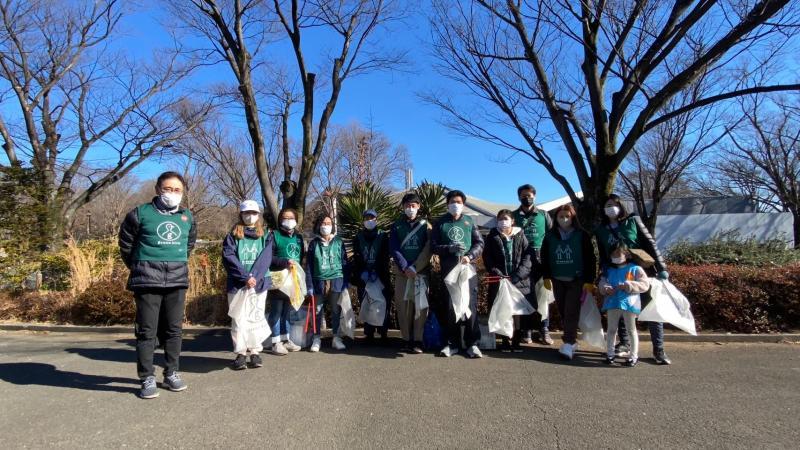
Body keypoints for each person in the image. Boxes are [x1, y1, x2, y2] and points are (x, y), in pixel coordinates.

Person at [118, 171, 196, 399]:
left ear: (182, 193)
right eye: (168, 189)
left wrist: (176, 261)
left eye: (177, 190)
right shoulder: (141, 214)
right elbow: (126, 244)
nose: (172, 193)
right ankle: (147, 377)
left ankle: (171, 372)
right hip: (147, 279)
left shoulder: (187, 217)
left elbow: (188, 243)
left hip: (177, 279)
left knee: (174, 330)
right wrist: (138, 266)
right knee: (146, 332)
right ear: (158, 189)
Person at [594, 194, 672, 365]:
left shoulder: (633, 221)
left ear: (621, 206)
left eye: (614, 204)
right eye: (607, 205)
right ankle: (624, 344)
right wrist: (602, 274)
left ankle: (658, 350)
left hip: (640, 271)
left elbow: (650, 243)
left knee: (652, 311)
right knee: (620, 307)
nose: (611, 208)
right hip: (616, 271)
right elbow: (603, 254)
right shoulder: (601, 229)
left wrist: (661, 267)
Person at [222, 200, 291, 370]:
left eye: (253, 213)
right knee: (239, 320)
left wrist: (255, 278)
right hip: (238, 285)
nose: (250, 216)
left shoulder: (266, 234)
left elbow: (266, 258)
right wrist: (245, 277)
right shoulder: (232, 235)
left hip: (259, 285)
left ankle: (254, 352)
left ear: (258, 215)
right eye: (246, 213)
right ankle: (240, 353)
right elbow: (228, 257)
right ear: (241, 215)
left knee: (256, 318)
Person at [539, 204, 597, 360]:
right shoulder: (550, 236)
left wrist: (589, 280)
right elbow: (544, 257)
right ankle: (572, 340)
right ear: (556, 218)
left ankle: (568, 343)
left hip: (576, 280)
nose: (564, 219)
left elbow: (590, 258)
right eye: (560, 216)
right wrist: (546, 276)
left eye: (567, 216)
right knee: (564, 311)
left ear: (573, 217)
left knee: (571, 311)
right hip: (558, 280)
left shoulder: (581, 235)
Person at [432, 189, 485, 358]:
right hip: (449, 271)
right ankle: (451, 344)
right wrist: (448, 248)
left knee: (469, 306)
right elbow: (433, 246)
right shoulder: (440, 223)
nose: (456, 205)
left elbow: (479, 243)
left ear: (463, 204)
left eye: (459, 202)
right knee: (450, 307)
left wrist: (470, 256)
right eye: (452, 202)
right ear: (447, 204)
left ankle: (472, 344)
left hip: (467, 271)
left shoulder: (469, 221)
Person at [482, 209, 533, 352]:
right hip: (500, 280)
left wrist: (518, 275)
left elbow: (528, 257)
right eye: (500, 219)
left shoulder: (521, 235)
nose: (503, 221)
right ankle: (504, 340)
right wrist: (497, 273)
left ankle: (516, 340)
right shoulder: (492, 236)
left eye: (506, 218)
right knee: (502, 310)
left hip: (518, 280)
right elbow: (487, 258)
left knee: (517, 311)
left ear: (512, 221)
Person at [389, 193, 433, 354]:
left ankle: (418, 340)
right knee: (403, 306)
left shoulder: (426, 225)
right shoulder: (397, 225)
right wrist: (405, 266)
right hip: (402, 273)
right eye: (407, 206)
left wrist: (416, 267)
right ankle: (406, 339)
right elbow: (394, 247)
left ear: (418, 207)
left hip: (420, 273)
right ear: (403, 207)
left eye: (413, 205)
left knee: (420, 308)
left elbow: (428, 248)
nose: (410, 209)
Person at [512, 184, 554, 345]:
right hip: (521, 262)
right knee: (525, 297)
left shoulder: (543, 215)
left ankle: (544, 330)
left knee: (543, 297)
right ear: (518, 197)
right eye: (523, 195)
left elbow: (552, 236)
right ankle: (526, 330)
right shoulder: (514, 215)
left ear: (535, 196)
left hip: (541, 260)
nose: (527, 197)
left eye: (529, 195)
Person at [599, 242, 651, 367]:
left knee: (631, 330)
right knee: (611, 329)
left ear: (626, 254)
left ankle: (633, 356)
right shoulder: (608, 270)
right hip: (613, 302)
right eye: (613, 253)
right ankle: (610, 354)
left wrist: (628, 285)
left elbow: (645, 285)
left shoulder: (635, 268)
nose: (615, 256)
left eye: (618, 253)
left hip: (630, 303)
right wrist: (605, 288)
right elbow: (602, 283)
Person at [305, 214, 350, 352]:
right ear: (319, 225)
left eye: (329, 223)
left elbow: (344, 263)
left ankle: (336, 337)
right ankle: (317, 338)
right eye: (323, 223)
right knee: (317, 311)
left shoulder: (338, 242)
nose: (326, 225)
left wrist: (346, 282)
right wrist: (309, 285)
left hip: (336, 280)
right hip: (319, 281)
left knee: (336, 310)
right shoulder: (313, 243)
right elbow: (309, 266)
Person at [267, 208, 305, 356]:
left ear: (296, 220)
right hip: (278, 278)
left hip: (293, 278)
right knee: (276, 310)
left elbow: (301, 256)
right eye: (285, 218)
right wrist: (284, 262)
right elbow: (269, 257)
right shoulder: (274, 236)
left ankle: (286, 339)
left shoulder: (299, 238)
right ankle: (276, 342)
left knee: (287, 311)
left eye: (291, 218)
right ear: (280, 220)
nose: (288, 221)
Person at [351, 209, 392, 345]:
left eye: (372, 218)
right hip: (364, 277)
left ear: (376, 220)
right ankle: (368, 334)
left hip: (380, 276)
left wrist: (377, 270)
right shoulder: (358, 237)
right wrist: (362, 272)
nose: (370, 220)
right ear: (363, 220)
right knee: (366, 303)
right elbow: (356, 257)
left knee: (382, 303)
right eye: (367, 218)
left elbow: (386, 256)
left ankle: (383, 333)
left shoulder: (383, 236)